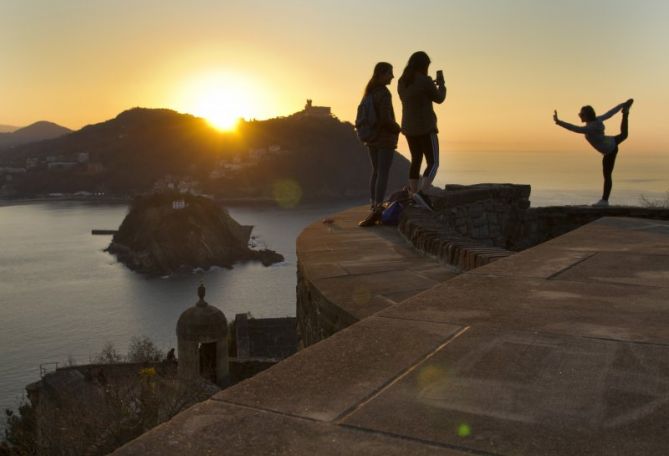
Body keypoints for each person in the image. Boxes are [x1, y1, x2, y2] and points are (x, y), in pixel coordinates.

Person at [554, 98, 634, 206]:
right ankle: (625, 111)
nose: (579, 116)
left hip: (609, 150)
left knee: (607, 175)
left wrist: (559, 122)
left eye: (581, 114)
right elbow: (610, 113)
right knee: (624, 135)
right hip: (610, 142)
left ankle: (604, 201)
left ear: (587, 116)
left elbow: (575, 128)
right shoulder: (596, 121)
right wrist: (622, 105)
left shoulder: (591, 127)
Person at [398, 51, 447, 211]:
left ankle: (413, 192)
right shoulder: (425, 81)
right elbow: (439, 98)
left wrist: (428, 86)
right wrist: (441, 85)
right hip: (425, 127)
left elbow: (414, 96)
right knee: (433, 161)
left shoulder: (402, 81)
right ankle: (423, 191)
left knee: (416, 159)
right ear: (424, 66)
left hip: (408, 128)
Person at [358, 62, 402, 227]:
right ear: (382, 74)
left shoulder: (369, 93)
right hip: (384, 139)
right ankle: (377, 208)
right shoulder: (384, 93)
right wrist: (398, 128)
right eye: (390, 73)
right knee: (383, 172)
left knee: (376, 171)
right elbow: (385, 119)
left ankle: (374, 204)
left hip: (371, 138)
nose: (392, 76)